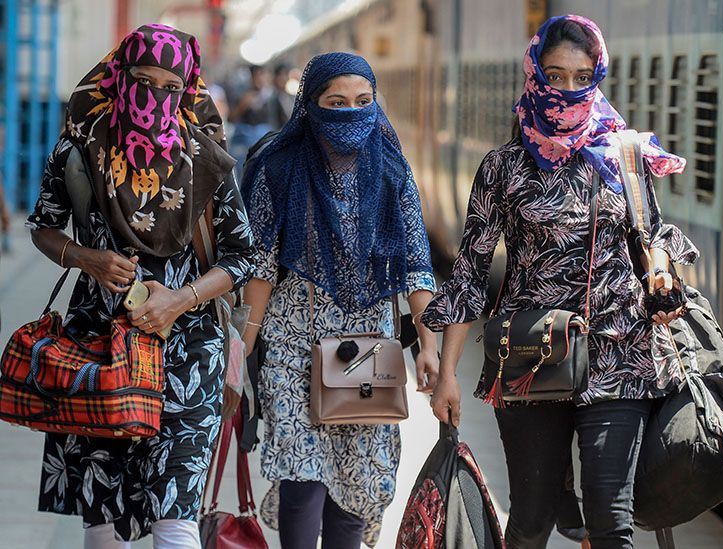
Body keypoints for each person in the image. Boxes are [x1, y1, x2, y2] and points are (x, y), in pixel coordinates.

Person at [423, 15, 696, 549]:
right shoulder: (504, 167)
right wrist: (448, 372)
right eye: (555, 75)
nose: (568, 89)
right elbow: (471, 273)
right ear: (534, 75)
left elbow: (650, 232)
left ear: (598, 75)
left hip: (620, 350)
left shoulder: (625, 154)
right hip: (531, 354)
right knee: (531, 519)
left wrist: (662, 274)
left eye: (581, 76)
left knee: (610, 520)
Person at [25, 24, 256, 548]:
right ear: (118, 77)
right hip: (99, 350)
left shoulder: (209, 160)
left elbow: (245, 256)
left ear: (188, 89)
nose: (156, 97)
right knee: (104, 517)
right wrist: (87, 259)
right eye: (143, 80)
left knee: (174, 518)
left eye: (171, 87)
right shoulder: (80, 149)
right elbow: (43, 225)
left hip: (188, 354)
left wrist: (183, 300)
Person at [240, 52, 439, 549]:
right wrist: (239, 346)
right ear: (311, 105)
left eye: (363, 101)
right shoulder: (278, 168)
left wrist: (429, 346)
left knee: (356, 491)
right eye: (336, 102)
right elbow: (261, 267)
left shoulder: (392, 169)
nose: (351, 112)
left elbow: (416, 263)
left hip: (367, 345)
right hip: (291, 344)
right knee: (302, 481)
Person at [270, 63, 296, 129]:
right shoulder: (271, 97)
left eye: (285, 75)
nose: (283, 78)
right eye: (280, 75)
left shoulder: (290, 96)